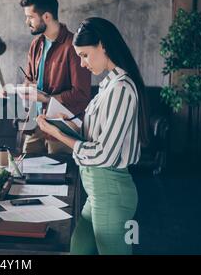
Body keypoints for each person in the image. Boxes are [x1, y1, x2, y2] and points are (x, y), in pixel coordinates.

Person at [36, 17, 149, 255]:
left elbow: (103, 154)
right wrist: (71, 125)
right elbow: (96, 136)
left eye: (85, 55)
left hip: (110, 191)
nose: (82, 63)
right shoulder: (108, 85)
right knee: (78, 249)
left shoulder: (121, 88)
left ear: (103, 45)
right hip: (97, 192)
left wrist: (58, 134)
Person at [18, 0, 91, 154]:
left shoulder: (73, 46)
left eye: (30, 17)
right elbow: (29, 79)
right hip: (36, 124)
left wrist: (48, 98)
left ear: (46, 17)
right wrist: (26, 88)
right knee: (24, 172)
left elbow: (81, 94)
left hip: (61, 128)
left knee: (62, 176)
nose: (27, 22)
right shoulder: (36, 44)